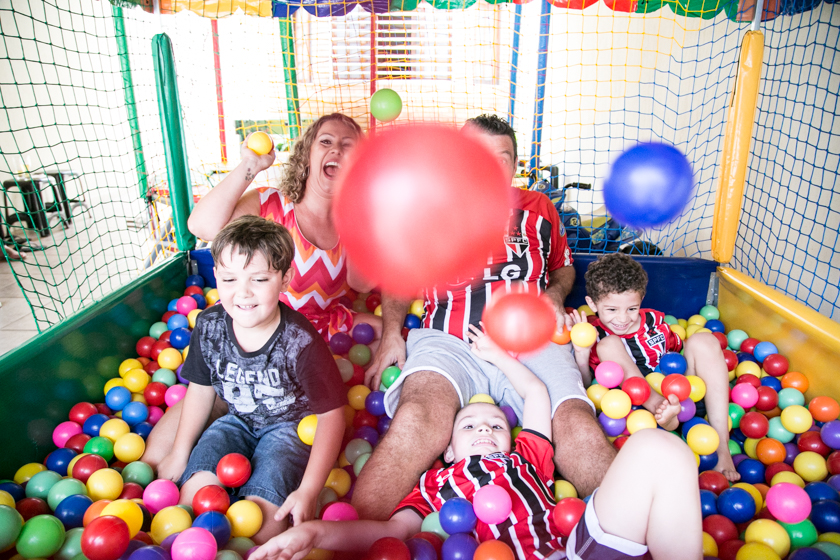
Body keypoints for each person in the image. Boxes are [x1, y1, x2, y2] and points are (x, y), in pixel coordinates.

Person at [355, 114, 616, 521]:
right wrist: (392, 333)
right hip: (449, 339)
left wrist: (554, 292)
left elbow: (563, 267)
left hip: (531, 340)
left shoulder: (539, 209)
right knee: (417, 416)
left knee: (573, 420)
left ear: (514, 166)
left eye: (503, 158)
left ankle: (632, 532)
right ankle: (350, 539)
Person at [250, 326, 702, 560]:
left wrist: (499, 357)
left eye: (495, 425)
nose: (485, 429)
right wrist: (315, 532)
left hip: (566, 553)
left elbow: (537, 395)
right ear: (446, 451)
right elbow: (387, 534)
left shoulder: (529, 457)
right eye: (468, 427)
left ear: (515, 437)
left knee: (661, 449)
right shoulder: (431, 487)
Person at [143, 114, 378, 469]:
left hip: (313, 338)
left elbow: (362, 283)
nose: (336, 150)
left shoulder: (353, 222)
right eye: (326, 141)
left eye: (349, 147)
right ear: (308, 154)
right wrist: (249, 167)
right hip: (255, 331)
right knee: (158, 458)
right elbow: (201, 227)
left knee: (388, 336)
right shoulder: (271, 205)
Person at [155, 216, 348, 543]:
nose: (242, 293)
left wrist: (309, 490)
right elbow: (201, 390)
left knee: (263, 528)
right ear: (215, 276)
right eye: (229, 279)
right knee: (193, 498)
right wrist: (179, 450)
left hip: (289, 430)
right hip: (236, 421)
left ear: (285, 279)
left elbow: (332, 417)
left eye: (258, 279)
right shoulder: (210, 325)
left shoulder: (300, 342)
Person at [568, 252, 738, 481]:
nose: (622, 319)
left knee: (704, 340)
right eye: (611, 310)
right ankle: (662, 410)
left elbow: (679, 353)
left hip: (684, 399)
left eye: (631, 308)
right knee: (608, 344)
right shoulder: (593, 333)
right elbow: (586, 386)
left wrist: (703, 366)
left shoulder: (655, 322)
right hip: (634, 413)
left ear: (641, 299)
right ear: (592, 303)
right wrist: (582, 352)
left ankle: (721, 445)